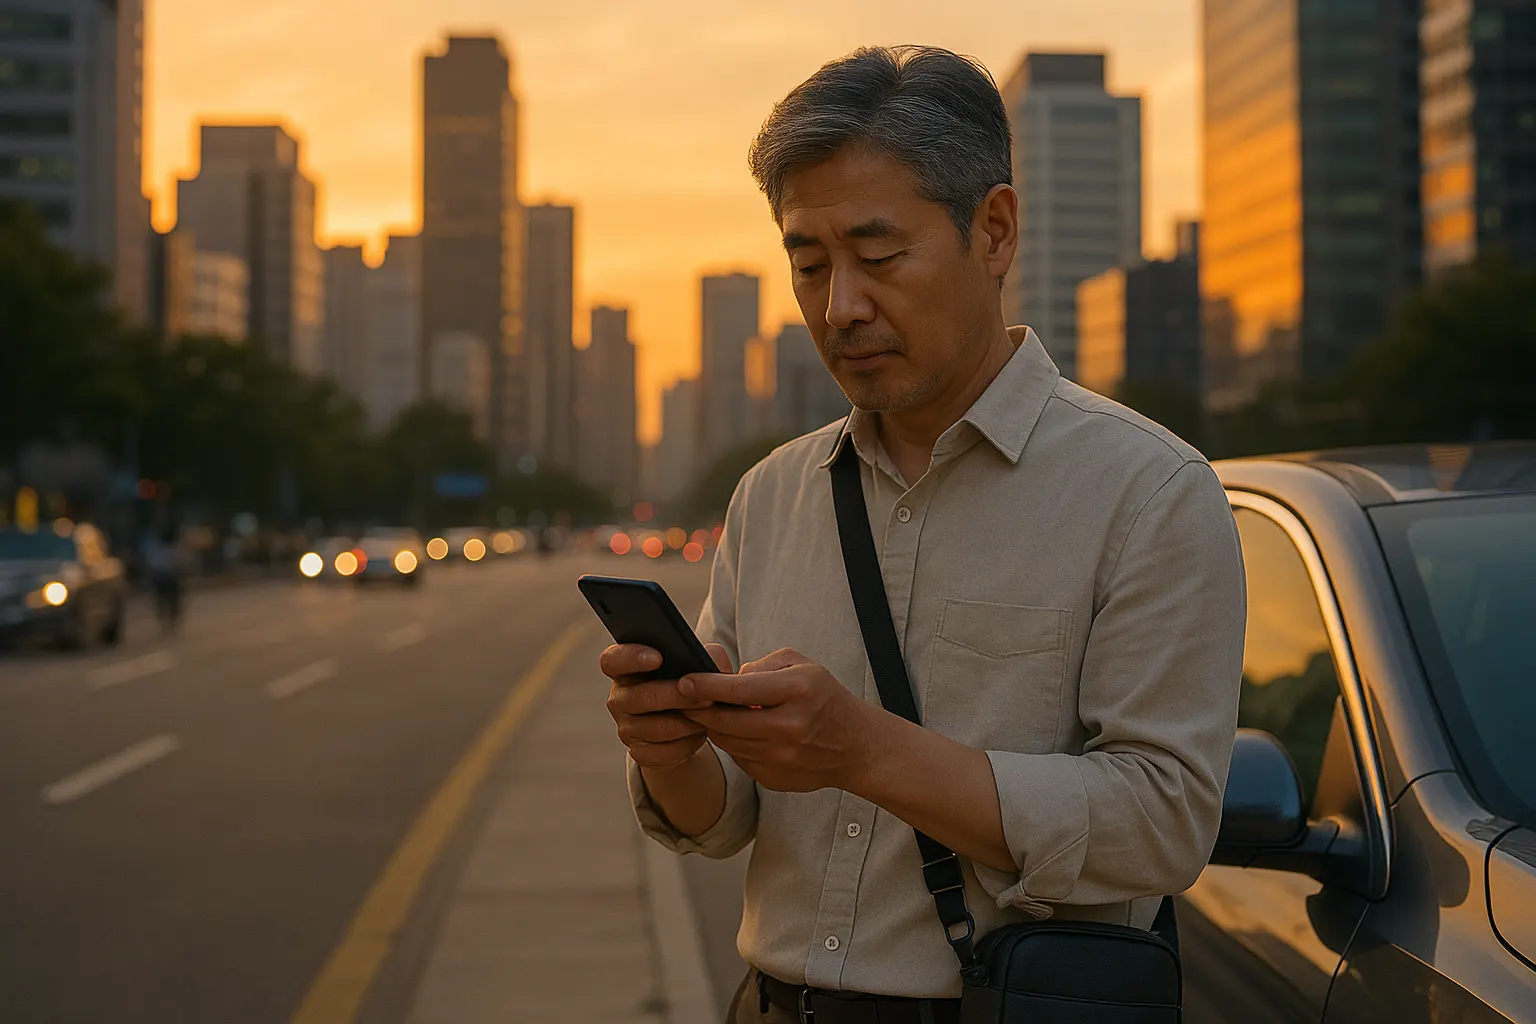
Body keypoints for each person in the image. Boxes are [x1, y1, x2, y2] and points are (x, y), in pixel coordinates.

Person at [602, 46, 1246, 1023]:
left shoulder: (1148, 491)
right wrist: (670, 749)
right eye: (808, 266)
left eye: (878, 258)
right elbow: (722, 818)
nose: (840, 307)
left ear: (995, 231)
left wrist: (867, 751)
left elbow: (1163, 822)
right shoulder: (773, 495)